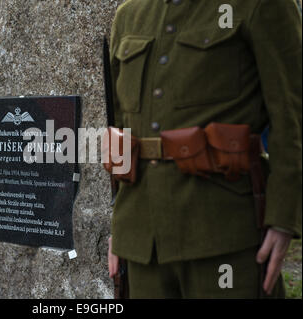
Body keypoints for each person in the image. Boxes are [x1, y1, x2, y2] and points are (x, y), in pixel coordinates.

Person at [107, 0, 301, 299]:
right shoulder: (130, 15)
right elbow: (122, 131)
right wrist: (120, 230)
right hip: (144, 240)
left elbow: (292, 118)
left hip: (225, 233)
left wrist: (283, 219)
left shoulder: (259, 5)